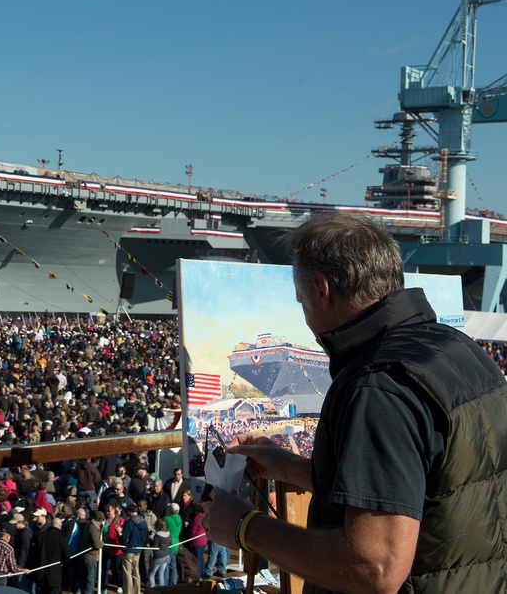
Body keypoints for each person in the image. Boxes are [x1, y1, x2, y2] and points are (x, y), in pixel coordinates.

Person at [204, 213, 507, 594]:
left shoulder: (378, 387)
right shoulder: (463, 350)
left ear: (321, 288)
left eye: (302, 299)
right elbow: (419, 485)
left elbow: (373, 566)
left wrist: (246, 527)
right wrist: (289, 467)